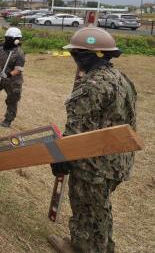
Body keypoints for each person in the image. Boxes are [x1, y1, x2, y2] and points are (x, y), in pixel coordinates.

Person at [48, 27, 137, 253]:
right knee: (99, 207)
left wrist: (61, 157)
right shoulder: (121, 79)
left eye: (75, 54)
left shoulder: (92, 85)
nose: (74, 60)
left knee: (86, 205)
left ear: (87, 55)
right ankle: (101, 246)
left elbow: (76, 130)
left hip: (94, 163)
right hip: (118, 159)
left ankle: (82, 247)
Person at [0, 26, 25, 127]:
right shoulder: (1, 49)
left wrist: (8, 75)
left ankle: (8, 120)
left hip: (13, 80)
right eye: (6, 38)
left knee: (12, 100)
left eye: (10, 38)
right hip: (0, 77)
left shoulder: (19, 53)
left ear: (17, 40)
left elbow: (18, 69)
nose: (7, 40)